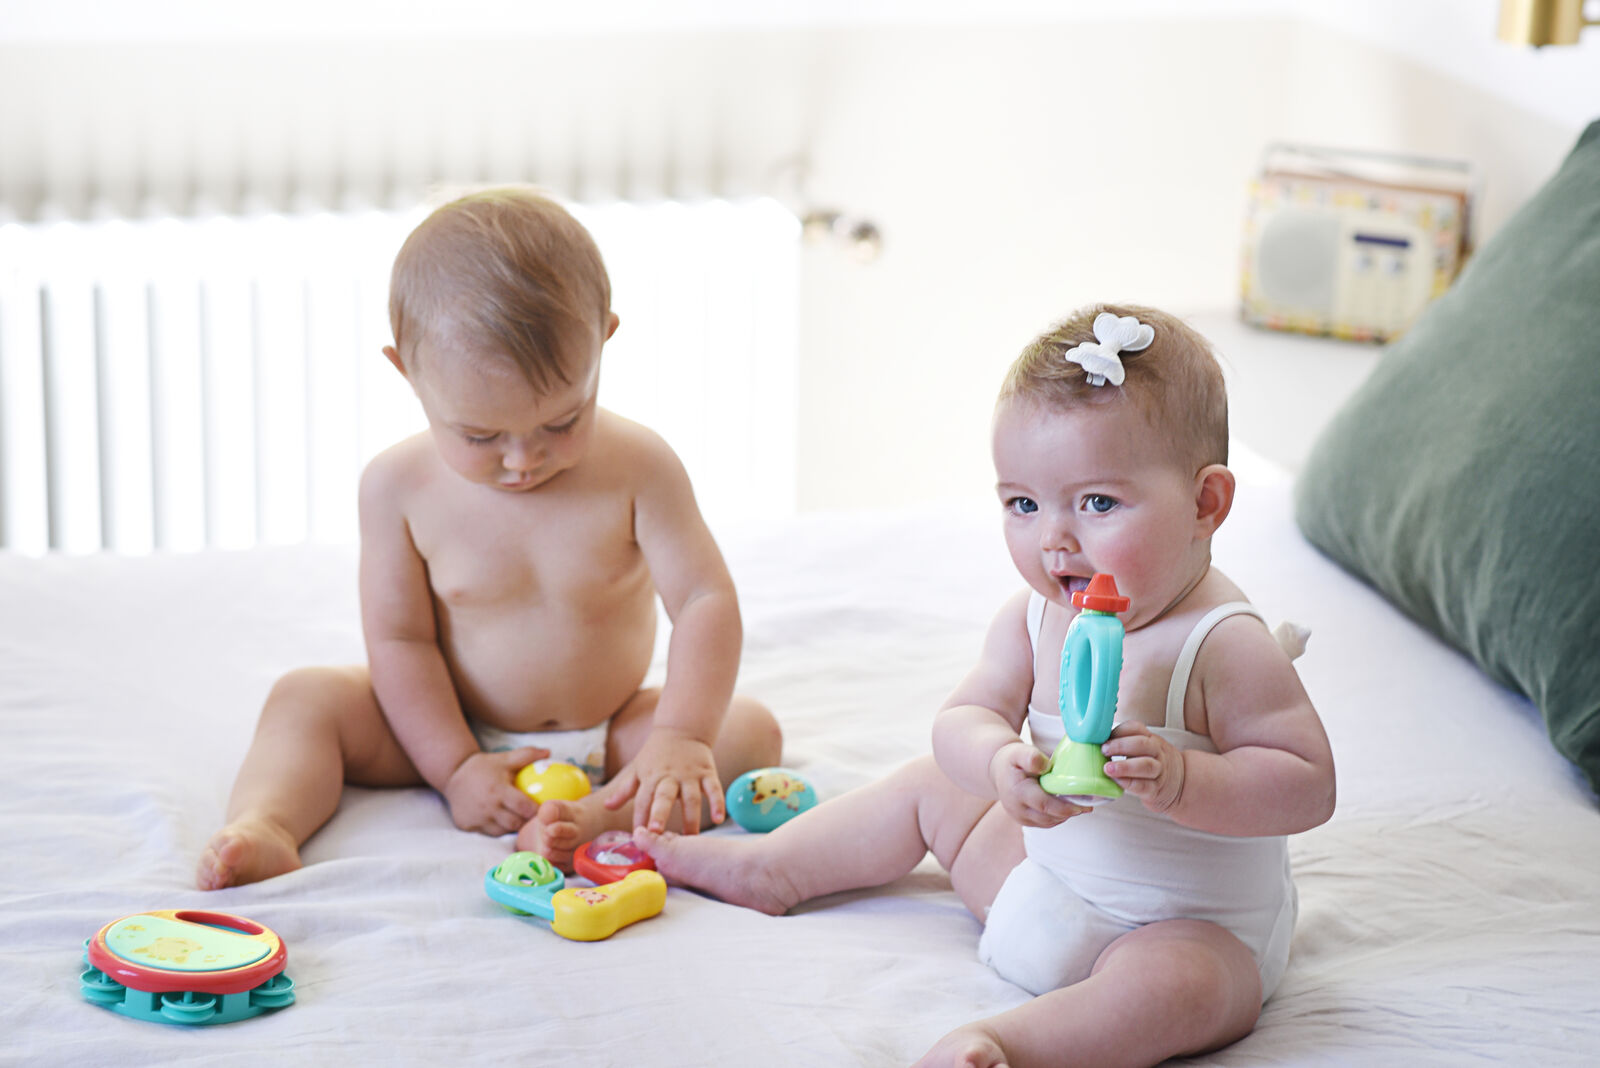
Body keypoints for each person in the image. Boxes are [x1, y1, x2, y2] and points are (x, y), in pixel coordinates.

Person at [636, 304, 1336, 1067]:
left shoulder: (1224, 644)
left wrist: (1185, 781)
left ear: (1206, 505)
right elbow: (963, 718)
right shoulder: (1033, 618)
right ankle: (776, 867)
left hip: (1177, 926)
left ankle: (1003, 1044)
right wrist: (999, 763)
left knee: (1190, 987)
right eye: (1023, 504)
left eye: (1098, 503)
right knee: (930, 784)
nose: (1054, 539)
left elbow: (1307, 785)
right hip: (1039, 880)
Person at [197, 187, 781, 890]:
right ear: (407, 372)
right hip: (445, 725)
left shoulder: (641, 467)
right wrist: (454, 767)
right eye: (479, 436)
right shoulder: (396, 487)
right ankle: (265, 824)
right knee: (306, 699)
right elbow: (401, 640)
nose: (522, 460)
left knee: (747, 730)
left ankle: (594, 817)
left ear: (602, 342)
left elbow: (703, 599)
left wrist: (679, 736)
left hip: (612, 730)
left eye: (562, 422)